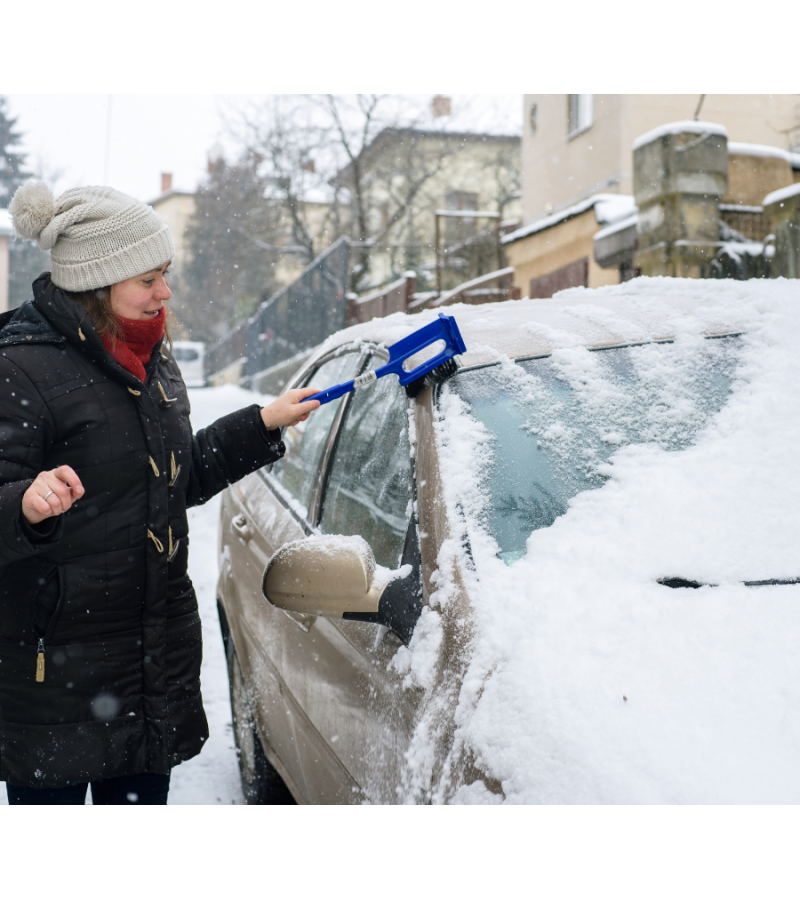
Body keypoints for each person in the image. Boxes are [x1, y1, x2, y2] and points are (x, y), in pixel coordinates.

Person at [0, 182, 319, 805]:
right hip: (55, 677)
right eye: (148, 279)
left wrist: (262, 424)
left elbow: (173, 480)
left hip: (148, 664)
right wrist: (24, 506)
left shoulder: (153, 359)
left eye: (165, 274)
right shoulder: (19, 368)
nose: (164, 292)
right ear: (99, 280)